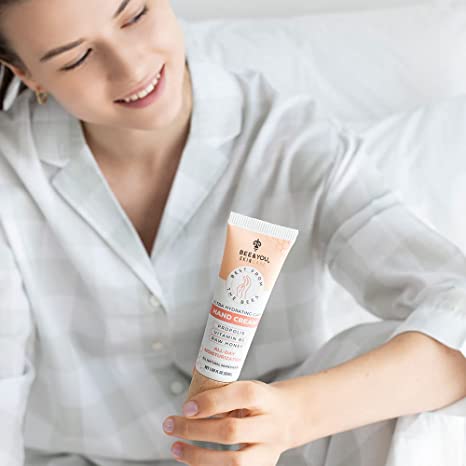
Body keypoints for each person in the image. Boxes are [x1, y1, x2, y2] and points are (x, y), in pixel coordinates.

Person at [0, 1, 465, 465]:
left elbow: (455, 310)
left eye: (135, 15)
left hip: (281, 453)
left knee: (392, 360)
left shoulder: (288, 141)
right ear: (27, 74)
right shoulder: (10, 175)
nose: (131, 67)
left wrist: (294, 416)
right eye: (77, 57)